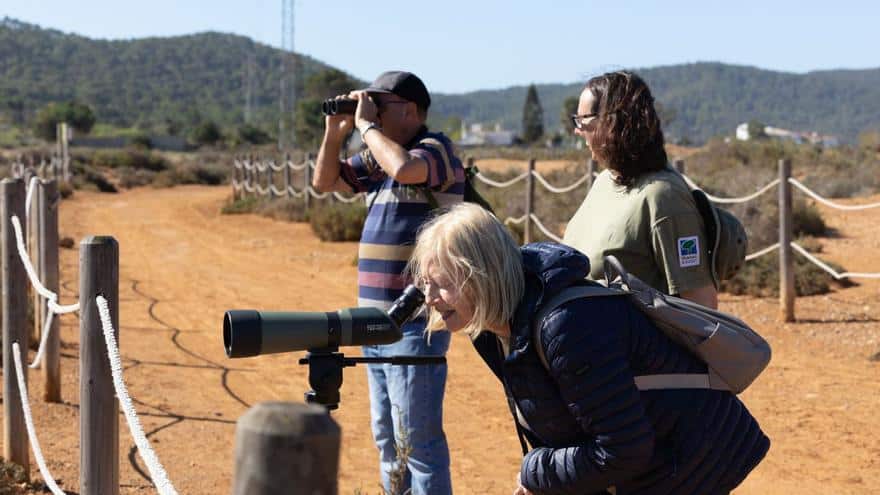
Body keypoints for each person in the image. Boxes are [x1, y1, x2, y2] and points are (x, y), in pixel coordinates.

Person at [410, 203, 769, 495]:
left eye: (441, 284)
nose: (429, 299)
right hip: (651, 464)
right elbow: (563, 422)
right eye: (425, 284)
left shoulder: (566, 327)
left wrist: (537, 471)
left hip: (690, 462)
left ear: (481, 276)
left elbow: (623, 448)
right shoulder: (489, 330)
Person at [313, 70, 463, 495]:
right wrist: (334, 132)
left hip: (416, 323)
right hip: (373, 322)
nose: (373, 111)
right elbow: (324, 182)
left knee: (418, 443)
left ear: (410, 110)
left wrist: (364, 127)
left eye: (382, 104)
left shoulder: (436, 150)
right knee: (387, 441)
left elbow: (405, 168)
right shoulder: (380, 154)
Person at [563, 71, 718, 308]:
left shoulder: (664, 197)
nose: (577, 130)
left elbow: (702, 307)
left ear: (611, 122)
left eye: (583, 120)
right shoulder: (604, 181)